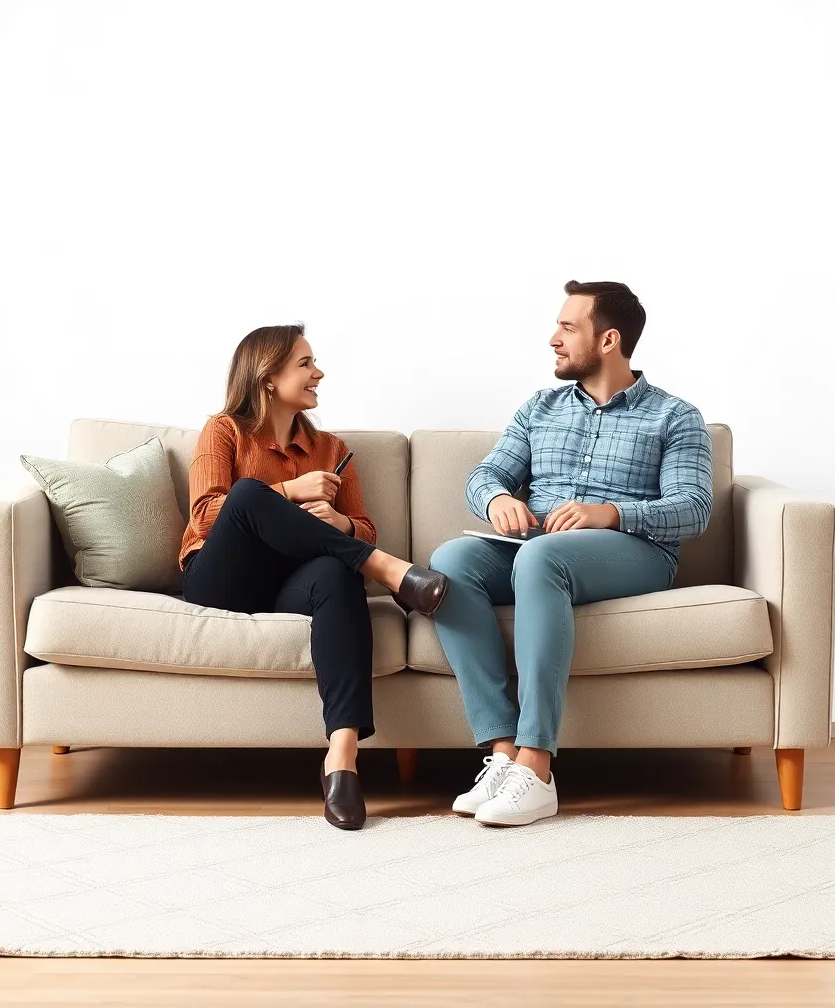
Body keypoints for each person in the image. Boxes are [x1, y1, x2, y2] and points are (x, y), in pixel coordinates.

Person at [429, 281, 714, 827]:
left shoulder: (674, 416)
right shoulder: (540, 407)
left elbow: (694, 508)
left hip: (635, 551)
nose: (553, 339)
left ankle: (538, 769)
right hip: (536, 545)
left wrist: (610, 511)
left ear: (608, 340)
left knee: (541, 559)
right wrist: (498, 500)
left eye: (567, 327)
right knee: (450, 561)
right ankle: (505, 752)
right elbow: (485, 475)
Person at [180, 323, 449, 831]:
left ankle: (342, 759)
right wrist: (290, 491)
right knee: (246, 496)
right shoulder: (224, 430)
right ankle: (390, 572)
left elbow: (364, 528)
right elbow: (207, 515)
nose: (318, 372)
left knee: (336, 567)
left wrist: (340, 524)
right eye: (304, 363)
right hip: (220, 578)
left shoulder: (330, 448)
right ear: (266, 377)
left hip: (288, 581)